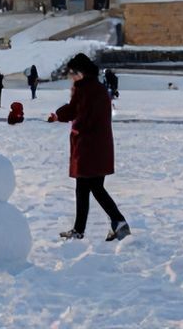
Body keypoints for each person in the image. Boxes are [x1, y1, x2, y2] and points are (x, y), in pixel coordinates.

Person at [48, 54, 129, 241]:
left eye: (72, 73)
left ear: (80, 72)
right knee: (85, 188)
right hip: (98, 146)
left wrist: (59, 115)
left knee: (92, 187)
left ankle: (119, 222)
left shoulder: (84, 89)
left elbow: (77, 112)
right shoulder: (97, 87)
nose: (71, 77)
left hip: (88, 146)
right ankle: (80, 229)